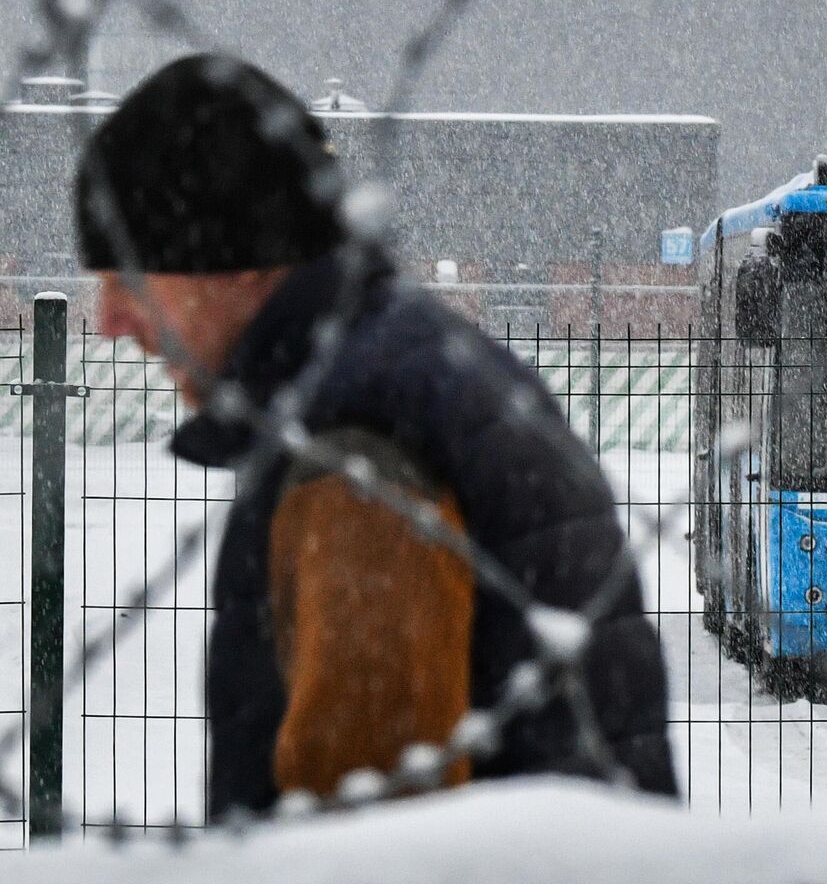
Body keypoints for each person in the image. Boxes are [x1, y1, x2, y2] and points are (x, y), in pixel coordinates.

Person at [74, 54, 676, 817]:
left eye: (129, 281)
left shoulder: (358, 450)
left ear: (237, 263)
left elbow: (362, 829)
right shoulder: (407, 374)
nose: (109, 322)